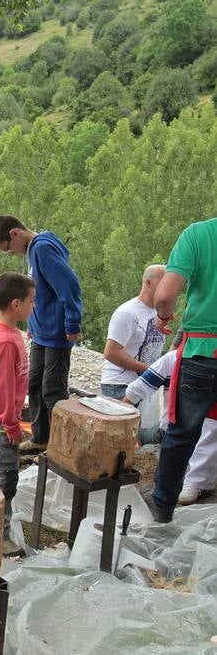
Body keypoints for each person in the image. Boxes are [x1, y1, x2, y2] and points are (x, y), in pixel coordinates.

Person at [142, 217, 217, 523]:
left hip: (203, 353)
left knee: (182, 434)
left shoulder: (199, 234)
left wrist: (163, 316)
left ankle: (162, 507)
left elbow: (163, 295)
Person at [0, 215, 83, 453]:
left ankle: (60, 447)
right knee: (35, 384)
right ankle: (41, 437)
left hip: (57, 333)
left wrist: (72, 322)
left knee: (53, 389)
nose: (12, 254)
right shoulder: (33, 250)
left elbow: (69, 284)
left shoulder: (42, 249)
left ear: (14, 234)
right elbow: (37, 293)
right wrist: (32, 322)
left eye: (9, 249)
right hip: (41, 331)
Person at [124, 347, 217, 504]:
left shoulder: (173, 357)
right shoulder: (175, 358)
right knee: (210, 427)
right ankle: (195, 483)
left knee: (154, 434)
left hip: (171, 434)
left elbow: (135, 391)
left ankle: (189, 485)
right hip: (201, 446)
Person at [0, 272, 35, 555]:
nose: (34, 306)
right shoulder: (4, 341)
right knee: (5, 479)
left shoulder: (6, 331)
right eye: (31, 301)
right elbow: (2, 388)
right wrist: (11, 424)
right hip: (1, 423)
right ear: (15, 304)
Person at [100, 265, 166, 400]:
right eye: (164, 282)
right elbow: (111, 352)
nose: (169, 287)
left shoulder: (158, 313)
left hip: (144, 385)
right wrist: (151, 371)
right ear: (148, 282)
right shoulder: (128, 313)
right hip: (119, 386)